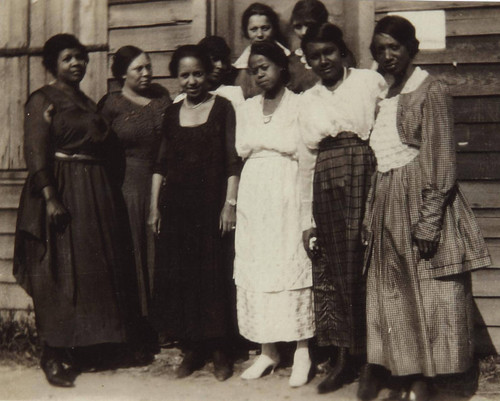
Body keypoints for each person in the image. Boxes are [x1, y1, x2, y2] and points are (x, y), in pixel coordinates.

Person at [360, 16, 491, 401]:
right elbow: (381, 159)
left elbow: (443, 159)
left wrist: (429, 220)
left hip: (420, 200)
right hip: (387, 199)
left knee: (431, 292)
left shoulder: (430, 89)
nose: (387, 56)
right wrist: (372, 212)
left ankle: (429, 381)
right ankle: (405, 373)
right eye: (380, 49)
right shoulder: (384, 94)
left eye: (394, 48)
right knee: (395, 295)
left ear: (410, 48)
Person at [13, 34, 139, 387]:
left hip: (94, 192)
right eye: (68, 58)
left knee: (89, 271)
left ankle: (86, 348)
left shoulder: (86, 101)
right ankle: (53, 354)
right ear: (53, 64)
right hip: (62, 189)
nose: (76, 64)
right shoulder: (41, 99)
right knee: (57, 272)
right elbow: (35, 152)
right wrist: (51, 198)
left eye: (81, 58)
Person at [298, 23, 386, 394]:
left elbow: (383, 136)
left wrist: (379, 195)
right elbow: (305, 160)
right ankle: (343, 358)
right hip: (325, 182)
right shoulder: (308, 98)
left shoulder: (368, 82)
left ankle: (372, 361)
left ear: (343, 51)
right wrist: (307, 219)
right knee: (333, 271)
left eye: (329, 52)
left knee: (366, 267)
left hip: (364, 173)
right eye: (315, 56)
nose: (323, 61)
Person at [148, 45, 242, 382]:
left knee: (214, 275)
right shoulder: (172, 114)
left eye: (198, 73)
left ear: (208, 74)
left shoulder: (223, 108)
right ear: (177, 76)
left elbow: (233, 161)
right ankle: (192, 349)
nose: (192, 81)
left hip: (211, 206)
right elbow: (160, 163)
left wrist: (229, 205)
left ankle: (220, 350)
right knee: (184, 276)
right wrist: (153, 206)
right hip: (177, 208)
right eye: (185, 75)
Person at [234, 40, 314, 388]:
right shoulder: (247, 108)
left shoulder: (300, 104)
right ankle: (268, 350)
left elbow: (306, 155)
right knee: (259, 268)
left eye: (265, 67)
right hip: (255, 195)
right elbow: (241, 154)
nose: (259, 74)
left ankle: (301, 350)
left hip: (288, 189)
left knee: (290, 264)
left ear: (282, 67)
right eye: (254, 70)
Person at [98, 46, 172, 323]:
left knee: (163, 251)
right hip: (129, 186)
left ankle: (166, 319)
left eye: (148, 67)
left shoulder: (162, 97)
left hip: (164, 182)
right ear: (121, 74)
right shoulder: (111, 104)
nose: (146, 73)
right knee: (136, 251)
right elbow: (98, 146)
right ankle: (138, 323)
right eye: (138, 68)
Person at [288, 0, 357, 94]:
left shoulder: (340, 56)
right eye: (298, 26)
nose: (303, 32)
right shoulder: (291, 60)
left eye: (309, 25)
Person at [234, 2, 290, 99]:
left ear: (274, 29)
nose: (260, 34)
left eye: (265, 28)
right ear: (246, 32)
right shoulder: (241, 66)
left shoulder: (289, 58)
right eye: (254, 29)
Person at [174, 36, 244, 107]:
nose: (220, 66)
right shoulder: (182, 98)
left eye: (223, 61)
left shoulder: (232, 93)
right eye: (214, 59)